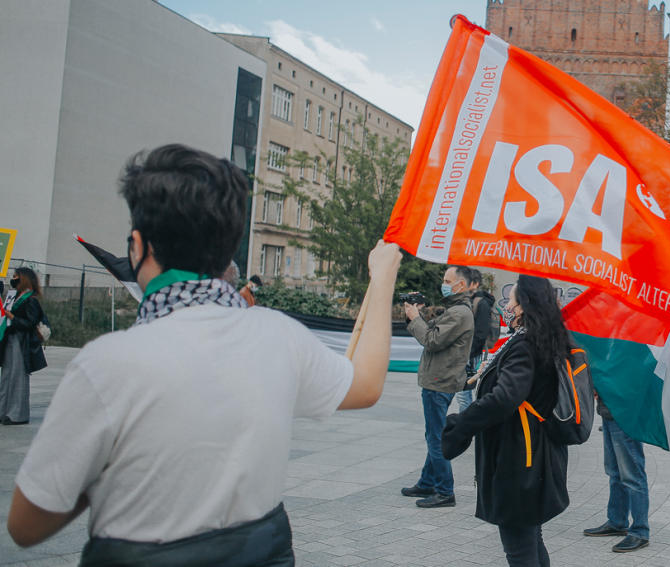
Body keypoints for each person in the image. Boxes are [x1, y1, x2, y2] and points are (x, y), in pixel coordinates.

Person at [7, 144, 402, 566]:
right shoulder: (279, 337)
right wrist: (382, 278)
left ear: (138, 247)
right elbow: (365, 384)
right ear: (228, 250)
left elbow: (26, 526)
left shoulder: (105, 364)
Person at [442, 275, 569, 567]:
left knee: (520, 548)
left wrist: (462, 425)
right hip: (534, 452)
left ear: (524, 305)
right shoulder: (545, 337)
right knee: (530, 539)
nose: (508, 305)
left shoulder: (526, 344)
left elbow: (505, 397)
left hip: (520, 458)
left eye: (511, 299)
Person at [401, 265, 474, 508]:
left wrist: (414, 318)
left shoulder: (459, 313)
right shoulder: (456, 310)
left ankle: (445, 491)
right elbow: (434, 332)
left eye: (447, 280)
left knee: (435, 436)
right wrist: (419, 316)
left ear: (460, 285)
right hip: (439, 379)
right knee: (434, 432)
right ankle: (428, 481)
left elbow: (431, 340)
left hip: (439, 381)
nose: (443, 283)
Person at [583, 393, 650, 552]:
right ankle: (617, 522)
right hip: (610, 411)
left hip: (625, 412)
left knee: (632, 476)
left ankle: (640, 532)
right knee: (615, 472)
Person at [0, 268, 48, 426]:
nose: (13, 279)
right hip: (11, 339)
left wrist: (13, 318)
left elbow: (30, 323)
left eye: (16, 277)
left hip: (21, 342)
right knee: (7, 377)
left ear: (24, 279)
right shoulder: (16, 297)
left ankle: (17, 414)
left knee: (18, 377)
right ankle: (4, 411)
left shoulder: (30, 300)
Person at [457, 268, 495, 412]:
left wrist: (467, 354)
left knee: (463, 394)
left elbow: (481, 333)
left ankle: (465, 426)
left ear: (474, 284)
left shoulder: (481, 303)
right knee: (463, 393)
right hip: (465, 353)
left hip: (470, 355)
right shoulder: (467, 301)